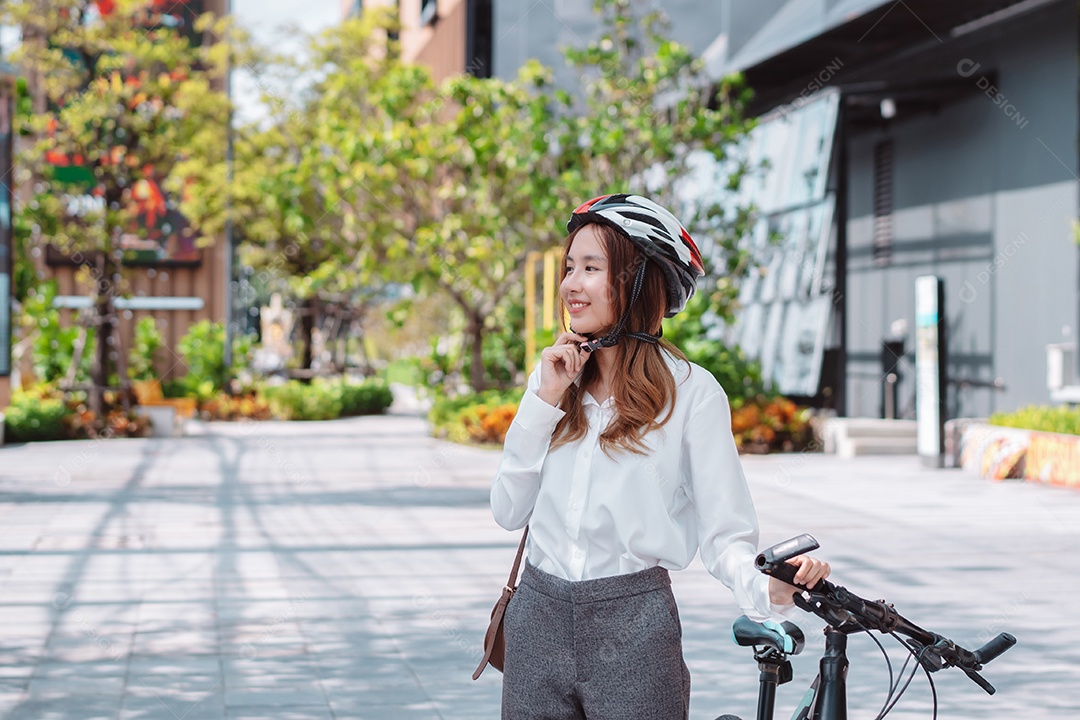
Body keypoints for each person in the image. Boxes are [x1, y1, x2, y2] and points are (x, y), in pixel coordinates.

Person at [490, 194, 830, 720]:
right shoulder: (552, 377)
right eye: (569, 267)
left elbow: (724, 535)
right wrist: (543, 403)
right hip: (537, 621)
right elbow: (508, 510)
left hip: (634, 630)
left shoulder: (692, 394)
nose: (570, 285)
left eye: (591, 268)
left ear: (637, 283)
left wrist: (770, 588)